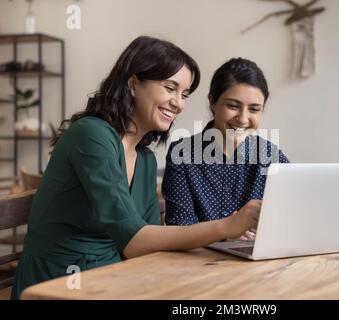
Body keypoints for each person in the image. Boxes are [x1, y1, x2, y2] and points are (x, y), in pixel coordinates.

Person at [11, 37, 260, 299]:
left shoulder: (145, 159)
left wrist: (226, 237)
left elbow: (149, 241)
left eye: (184, 94)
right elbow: (135, 240)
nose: (178, 103)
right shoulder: (91, 135)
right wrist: (225, 226)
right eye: (170, 88)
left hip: (114, 275)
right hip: (58, 283)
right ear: (133, 83)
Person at [162, 58, 288, 239]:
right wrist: (227, 232)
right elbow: (179, 227)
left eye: (254, 109)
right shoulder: (182, 155)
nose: (243, 118)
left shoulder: (271, 156)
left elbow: (293, 216)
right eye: (233, 106)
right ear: (212, 102)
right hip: (198, 263)